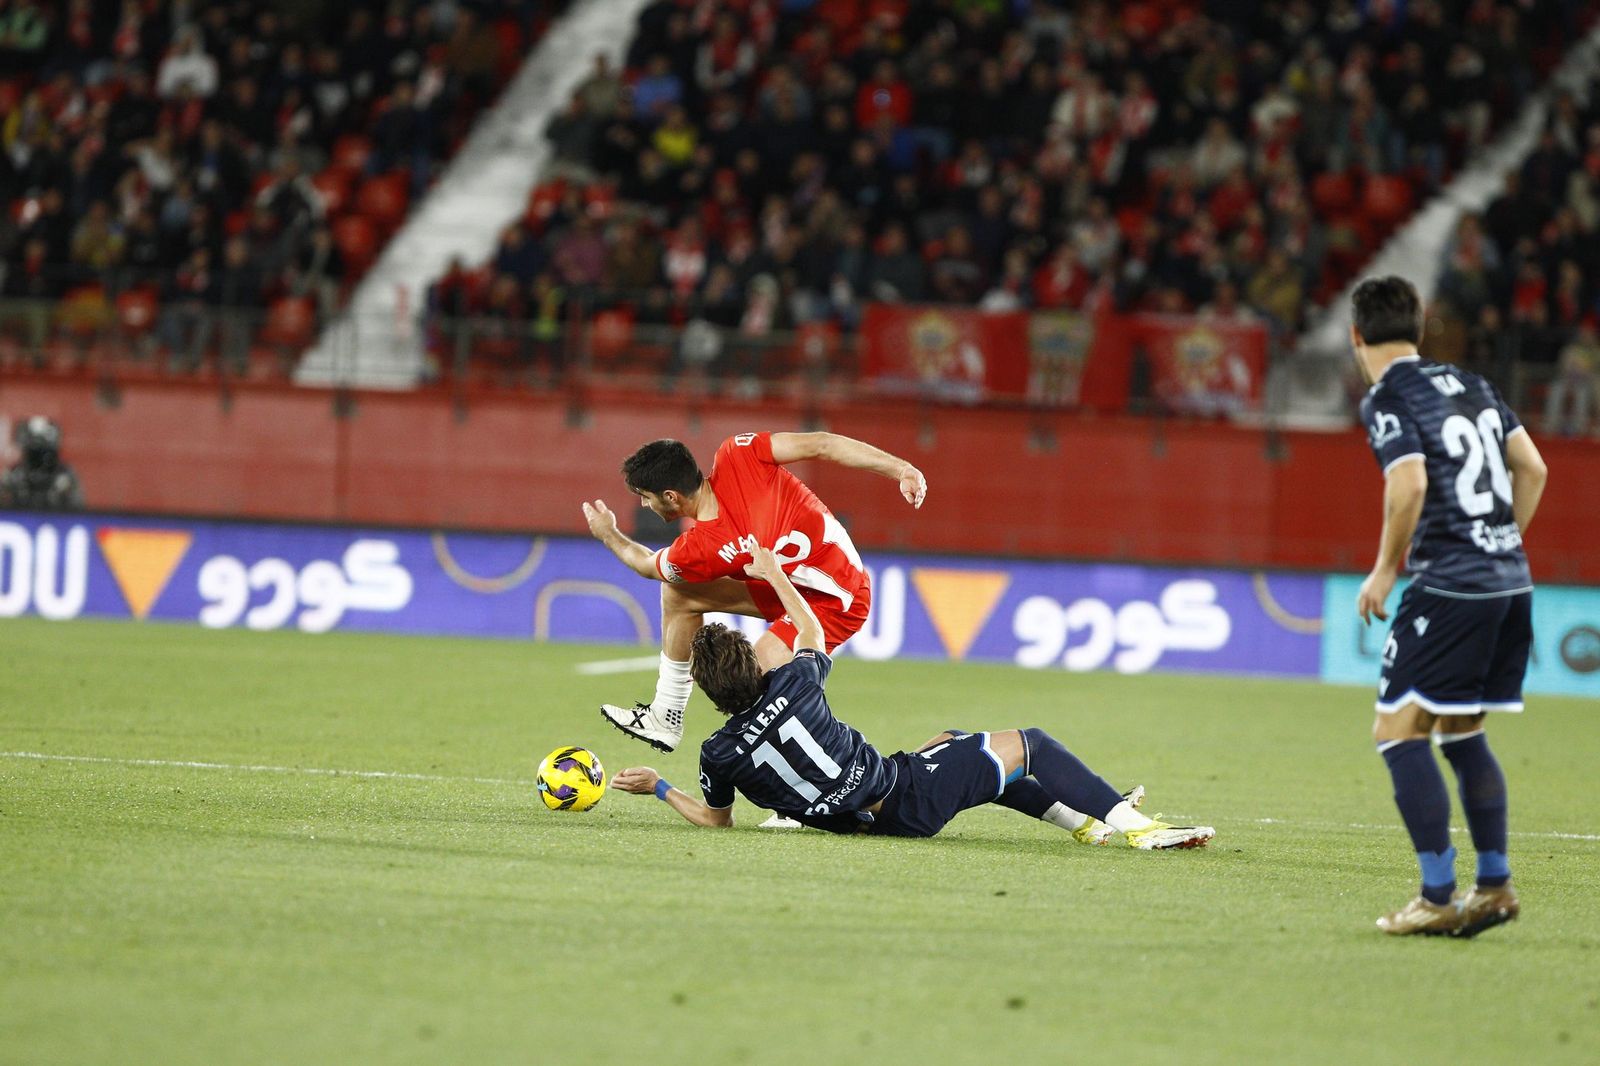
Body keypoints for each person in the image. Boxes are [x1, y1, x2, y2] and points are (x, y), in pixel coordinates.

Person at [611, 546, 1215, 849]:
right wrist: (773, 575)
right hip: (903, 798)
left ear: (710, 692)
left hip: (863, 822)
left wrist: (659, 788)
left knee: (955, 743)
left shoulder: (717, 753)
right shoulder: (792, 684)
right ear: (749, 663)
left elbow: (717, 820)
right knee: (1029, 745)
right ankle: (1137, 827)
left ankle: (1082, 821)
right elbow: (813, 631)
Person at [1350, 276, 1549, 937]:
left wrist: (1383, 570)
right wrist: (1500, 545)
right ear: (1421, 325)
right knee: (1462, 732)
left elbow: (1408, 484)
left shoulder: (1388, 395)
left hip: (1451, 586)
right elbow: (1534, 469)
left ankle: (1437, 895)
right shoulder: (1473, 384)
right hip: (1509, 582)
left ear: (1356, 336)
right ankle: (1493, 886)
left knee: (1397, 732)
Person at [582, 432, 927, 752]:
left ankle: (801, 794)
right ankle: (665, 716)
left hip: (839, 598)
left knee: (759, 686)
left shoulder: (700, 545)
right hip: (786, 585)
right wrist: (902, 469)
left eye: (646, 497)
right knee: (679, 593)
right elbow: (821, 444)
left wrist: (608, 533)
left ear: (671, 496)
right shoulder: (738, 454)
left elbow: (645, 565)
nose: (646, 505)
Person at [1, 417, 84, 511]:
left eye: (43, 452)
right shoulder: (14, 474)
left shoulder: (64, 475)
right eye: (33, 453)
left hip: (56, 521)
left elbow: (78, 509)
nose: (38, 459)